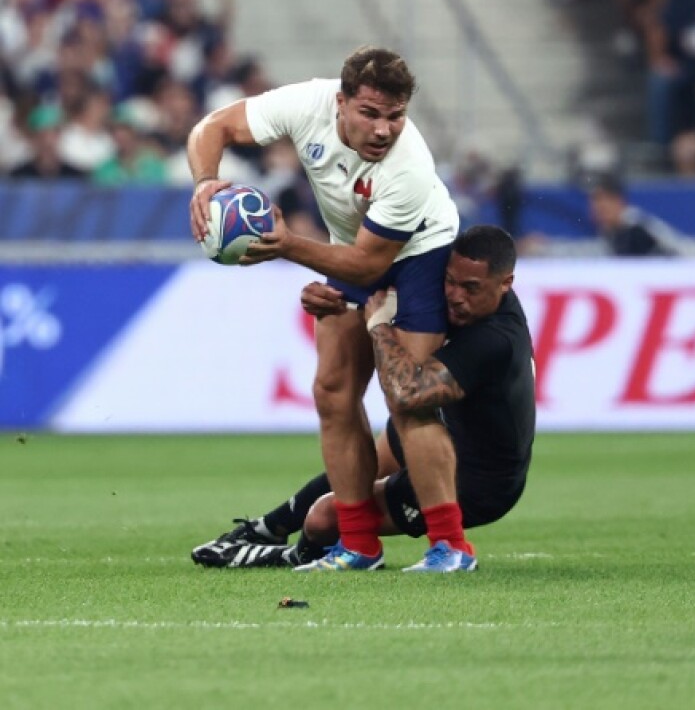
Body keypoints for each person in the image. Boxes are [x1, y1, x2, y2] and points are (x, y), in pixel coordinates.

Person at [186, 46, 466, 573]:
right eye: (371, 113)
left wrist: (288, 246)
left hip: (418, 255)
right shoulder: (305, 104)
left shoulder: (409, 168)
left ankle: (451, 547)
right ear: (340, 103)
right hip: (351, 248)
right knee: (332, 392)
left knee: (407, 398)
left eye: (395, 116)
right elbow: (213, 126)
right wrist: (205, 181)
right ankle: (358, 545)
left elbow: (367, 265)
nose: (384, 129)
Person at [190, 226, 536, 573]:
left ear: (505, 283)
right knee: (355, 474)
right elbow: (374, 282)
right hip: (448, 431)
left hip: (478, 481)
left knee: (324, 517)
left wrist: (378, 326)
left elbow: (408, 393)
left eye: (470, 288)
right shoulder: (461, 299)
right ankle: (266, 529)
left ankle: (291, 555)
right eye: (450, 281)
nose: (456, 296)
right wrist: (330, 296)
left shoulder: (496, 340)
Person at [587, 173, 687, 256]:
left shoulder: (637, 228)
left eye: (603, 207)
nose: (599, 209)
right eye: (595, 203)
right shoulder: (610, 231)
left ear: (619, 201)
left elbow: (675, 251)